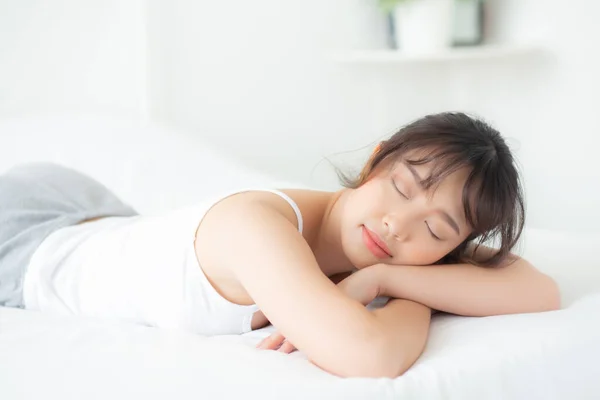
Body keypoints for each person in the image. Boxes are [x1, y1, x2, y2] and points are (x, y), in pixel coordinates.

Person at [0, 112, 560, 378]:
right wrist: (416, 291)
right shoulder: (256, 225)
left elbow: (540, 289)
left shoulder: (395, 257)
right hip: (23, 241)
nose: (398, 226)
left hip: (109, 225)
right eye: (400, 187)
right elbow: (370, 354)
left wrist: (389, 280)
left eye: (437, 231)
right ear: (374, 161)